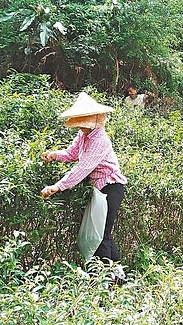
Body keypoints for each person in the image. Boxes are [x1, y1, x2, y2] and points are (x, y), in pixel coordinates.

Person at [40, 92, 128, 265]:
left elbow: (83, 168)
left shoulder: (100, 139)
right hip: (99, 188)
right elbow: (72, 153)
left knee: (100, 234)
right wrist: (53, 155)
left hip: (111, 187)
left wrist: (57, 187)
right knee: (103, 233)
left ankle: (105, 279)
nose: (80, 127)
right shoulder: (84, 134)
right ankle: (118, 275)